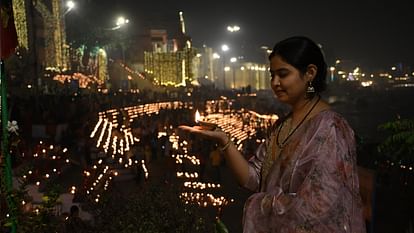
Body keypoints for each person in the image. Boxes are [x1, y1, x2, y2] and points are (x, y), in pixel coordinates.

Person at [179, 36, 366, 232]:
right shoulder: (282, 125)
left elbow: (321, 210)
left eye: (283, 74)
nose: (275, 82)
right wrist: (224, 140)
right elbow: (253, 178)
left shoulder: (330, 128)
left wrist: (259, 204)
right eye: (272, 75)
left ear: (310, 73)